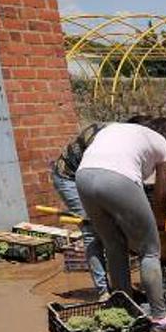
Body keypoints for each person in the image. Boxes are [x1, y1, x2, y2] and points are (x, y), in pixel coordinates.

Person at [75, 117, 166, 332]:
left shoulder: (119, 129)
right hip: (118, 179)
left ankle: (125, 313)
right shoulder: (164, 146)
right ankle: (160, 319)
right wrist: (159, 229)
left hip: (83, 176)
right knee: (150, 252)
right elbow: (161, 196)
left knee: (114, 246)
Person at [51, 122, 109, 298]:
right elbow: (94, 177)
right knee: (91, 229)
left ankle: (121, 286)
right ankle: (104, 291)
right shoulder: (99, 140)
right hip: (68, 178)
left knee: (110, 230)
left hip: (91, 177)